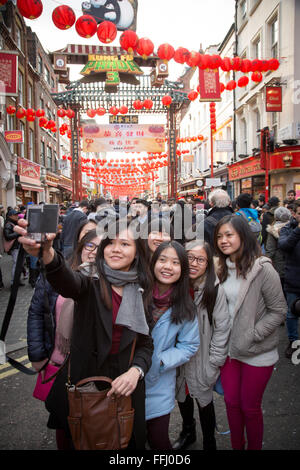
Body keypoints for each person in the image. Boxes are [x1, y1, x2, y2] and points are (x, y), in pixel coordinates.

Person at [16, 217, 154, 450]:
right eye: (110, 243)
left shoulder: (141, 289)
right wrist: (47, 254)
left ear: (137, 253)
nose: (115, 249)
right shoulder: (90, 282)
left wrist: (135, 371)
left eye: (125, 244)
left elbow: (145, 344)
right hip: (84, 385)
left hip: (124, 388)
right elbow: (67, 281)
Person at [214, 214, 286, 450]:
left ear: (243, 236)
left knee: (250, 406)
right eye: (220, 236)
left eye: (229, 235)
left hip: (257, 352)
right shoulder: (220, 267)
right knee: (232, 403)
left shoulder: (262, 268)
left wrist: (253, 334)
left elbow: (278, 310)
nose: (223, 240)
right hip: (229, 352)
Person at [27, 229, 102, 449]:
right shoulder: (58, 273)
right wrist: (38, 355)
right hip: (58, 363)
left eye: (100, 247)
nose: (93, 252)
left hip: (90, 370)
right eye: (89, 245)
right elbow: (36, 313)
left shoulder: (110, 279)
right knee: (63, 424)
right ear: (80, 244)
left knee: (93, 427)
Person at [174, 240, 230, 450]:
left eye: (200, 259)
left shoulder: (214, 291)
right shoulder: (174, 286)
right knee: (182, 396)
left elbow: (222, 329)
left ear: (208, 263)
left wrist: (213, 363)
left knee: (204, 401)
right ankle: (188, 432)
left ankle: (209, 441)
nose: (194, 263)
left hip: (203, 359)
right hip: (178, 358)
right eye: (189, 257)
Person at [145, 241, 200, 450]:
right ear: (153, 263)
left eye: (175, 262)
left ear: (183, 269)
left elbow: (189, 345)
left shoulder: (185, 305)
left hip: (158, 382)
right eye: (162, 260)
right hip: (126, 380)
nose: (168, 267)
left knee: (159, 440)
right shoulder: (137, 292)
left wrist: (160, 362)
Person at [278, 199, 300, 359]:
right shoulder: (288, 229)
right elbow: (284, 246)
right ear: (294, 214)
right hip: (293, 278)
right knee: (292, 313)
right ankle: (294, 342)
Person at [265, 206, 291, 290]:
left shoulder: (273, 230)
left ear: (276, 217)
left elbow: (270, 249)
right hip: (291, 263)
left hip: (278, 263)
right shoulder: (292, 228)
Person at [3, 209, 24, 287]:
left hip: (17, 246)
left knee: (18, 264)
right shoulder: (9, 224)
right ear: (10, 216)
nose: (17, 216)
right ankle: (13, 282)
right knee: (16, 264)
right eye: (15, 215)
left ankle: (17, 280)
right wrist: (18, 233)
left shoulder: (13, 223)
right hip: (14, 247)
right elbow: (7, 236)